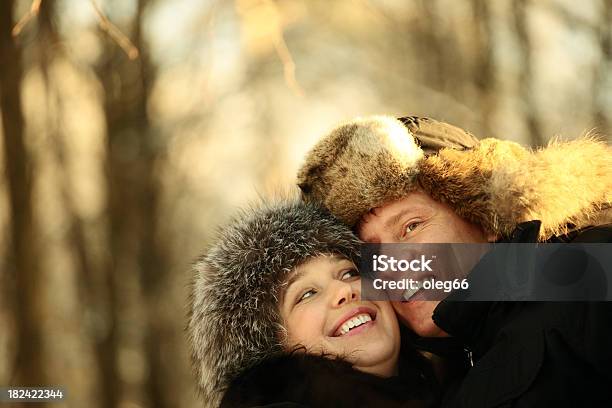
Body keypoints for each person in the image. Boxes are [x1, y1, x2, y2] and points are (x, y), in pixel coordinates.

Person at [297, 115, 612, 407]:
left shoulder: (589, 277)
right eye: (373, 251)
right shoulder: (438, 376)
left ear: (487, 219)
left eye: (411, 226)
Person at [187, 198, 438, 407]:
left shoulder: (450, 385)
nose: (344, 290)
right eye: (307, 294)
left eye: (349, 272)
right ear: (272, 346)